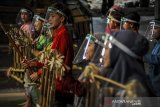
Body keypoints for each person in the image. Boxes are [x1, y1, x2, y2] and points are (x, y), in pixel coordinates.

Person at [143, 19, 160, 96]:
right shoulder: (157, 43)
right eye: (151, 28)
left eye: (155, 28)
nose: (152, 31)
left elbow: (158, 59)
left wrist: (142, 56)